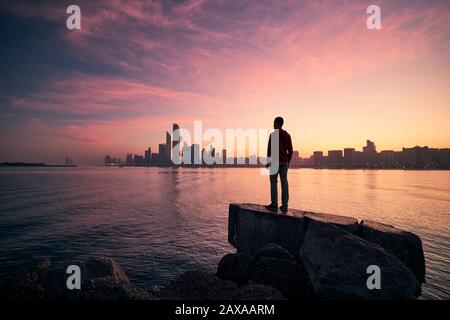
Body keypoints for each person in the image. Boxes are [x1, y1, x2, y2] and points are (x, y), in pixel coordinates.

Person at [265, 116, 293, 212]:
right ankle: (284, 206)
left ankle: (274, 204)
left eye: (274, 122)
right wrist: (287, 162)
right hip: (284, 162)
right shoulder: (287, 135)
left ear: (277, 123)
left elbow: (270, 150)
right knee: (284, 183)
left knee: (273, 183)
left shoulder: (273, 135)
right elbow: (291, 151)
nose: (273, 124)